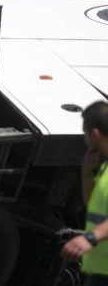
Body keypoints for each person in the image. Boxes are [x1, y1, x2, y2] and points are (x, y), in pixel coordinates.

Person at [60, 100, 108, 286]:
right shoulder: (103, 167)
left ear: (94, 134)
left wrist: (90, 238)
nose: (84, 138)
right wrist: (86, 173)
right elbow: (93, 206)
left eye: (85, 133)